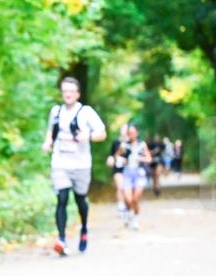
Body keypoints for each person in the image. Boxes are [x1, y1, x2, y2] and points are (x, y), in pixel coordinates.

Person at [41, 77, 106, 256]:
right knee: (61, 198)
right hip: (60, 161)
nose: (68, 94)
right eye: (65, 91)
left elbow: (102, 133)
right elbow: (50, 130)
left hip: (81, 163)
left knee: (80, 200)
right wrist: (47, 143)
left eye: (71, 91)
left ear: (77, 93)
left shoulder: (86, 112)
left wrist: (89, 136)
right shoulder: (55, 111)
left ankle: (84, 228)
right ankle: (61, 240)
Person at [115, 123, 151, 230]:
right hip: (127, 174)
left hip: (139, 174)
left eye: (133, 132)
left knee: (136, 199)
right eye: (129, 133)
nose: (131, 135)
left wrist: (141, 159)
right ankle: (127, 213)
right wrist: (121, 160)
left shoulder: (142, 144)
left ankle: (135, 219)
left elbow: (149, 158)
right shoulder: (124, 145)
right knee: (128, 199)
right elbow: (117, 156)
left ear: (137, 133)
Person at [106, 124, 129, 223]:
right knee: (120, 187)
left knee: (127, 189)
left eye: (126, 130)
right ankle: (121, 206)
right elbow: (111, 155)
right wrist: (111, 159)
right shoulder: (116, 142)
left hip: (129, 170)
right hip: (117, 169)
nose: (124, 131)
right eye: (122, 129)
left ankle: (127, 207)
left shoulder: (131, 143)